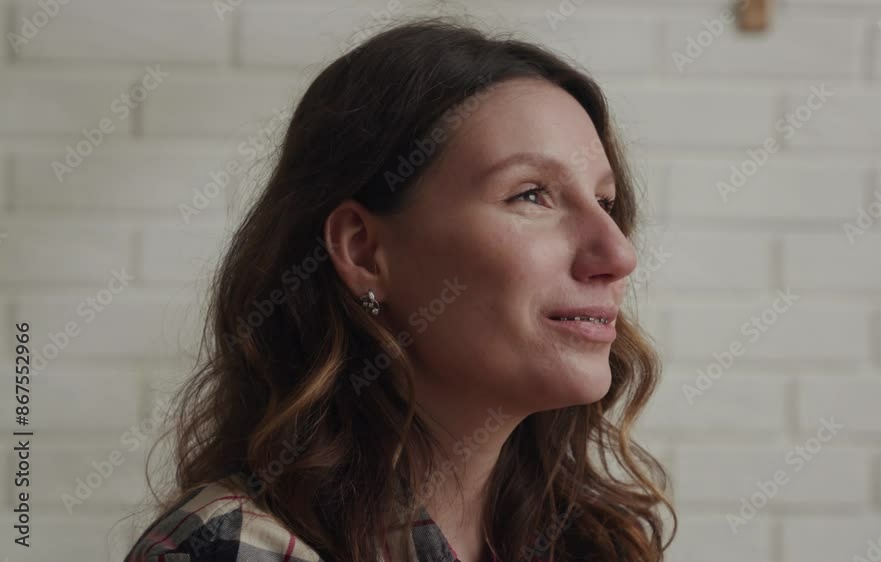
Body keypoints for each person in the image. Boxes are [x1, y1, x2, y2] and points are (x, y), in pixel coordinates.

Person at [123, 15, 675, 562]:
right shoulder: (229, 549)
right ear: (363, 250)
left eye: (605, 203)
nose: (618, 254)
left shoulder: (595, 543)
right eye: (531, 195)